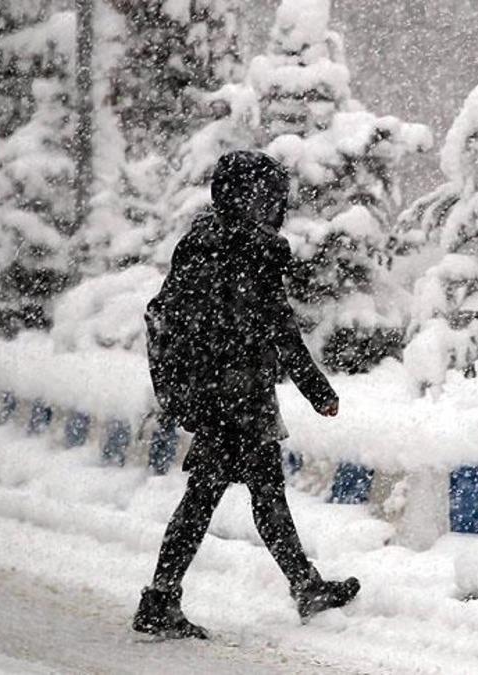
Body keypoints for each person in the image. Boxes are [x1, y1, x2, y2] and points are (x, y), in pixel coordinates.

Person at [133, 150, 359, 640]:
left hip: (215, 394)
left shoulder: (199, 244)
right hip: (238, 397)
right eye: (268, 197)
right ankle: (163, 598)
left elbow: (172, 316)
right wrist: (317, 389)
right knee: (227, 496)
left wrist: (185, 388)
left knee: (240, 492)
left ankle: (300, 586)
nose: (275, 206)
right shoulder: (252, 251)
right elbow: (280, 328)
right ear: (248, 198)